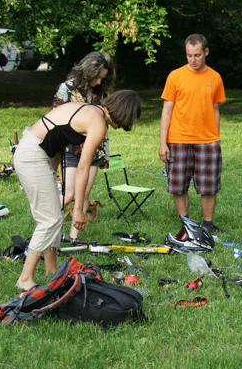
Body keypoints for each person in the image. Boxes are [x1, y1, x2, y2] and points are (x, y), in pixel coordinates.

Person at [15, 90, 141, 290]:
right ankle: (25, 279)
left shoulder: (88, 109)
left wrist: (51, 173)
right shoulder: (98, 124)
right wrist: (79, 210)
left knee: (54, 214)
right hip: (33, 157)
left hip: (33, 151)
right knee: (49, 220)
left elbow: (55, 137)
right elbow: (83, 167)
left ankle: (52, 270)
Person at [159, 33, 226, 234]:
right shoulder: (175, 76)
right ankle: (186, 223)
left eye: (197, 55)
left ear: (206, 52)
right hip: (178, 139)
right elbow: (167, 111)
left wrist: (215, 136)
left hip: (208, 141)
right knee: (178, 185)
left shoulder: (215, 77)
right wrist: (163, 143)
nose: (193, 60)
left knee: (209, 185)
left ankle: (208, 224)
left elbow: (215, 109)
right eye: (189, 55)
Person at [53, 52, 116, 239]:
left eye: (102, 78)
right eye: (96, 77)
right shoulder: (66, 88)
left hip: (95, 148)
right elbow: (55, 118)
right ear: (86, 72)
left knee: (85, 193)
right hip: (70, 148)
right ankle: (48, 228)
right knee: (69, 193)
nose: (99, 82)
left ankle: (74, 238)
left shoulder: (102, 92)